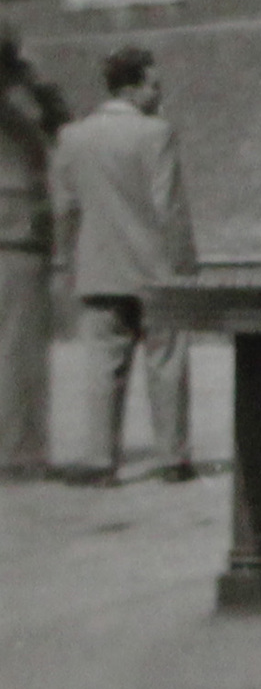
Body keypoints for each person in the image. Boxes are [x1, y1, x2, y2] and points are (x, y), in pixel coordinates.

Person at [49, 44, 198, 486]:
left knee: (102, 366)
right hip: (156, 273)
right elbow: (168, 206)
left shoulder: (73, 137)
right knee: (166, 362)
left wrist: (67, 261)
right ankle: (172, 458)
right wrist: (186, 267)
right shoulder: (156, 133)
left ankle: (100, 461)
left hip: (99, 270)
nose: (159, 94)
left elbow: (65, 207)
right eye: (154, 85)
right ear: (132, 88)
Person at [1, 26, 69, 480]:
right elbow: (63, 123)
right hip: (18, 238)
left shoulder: (19, 123)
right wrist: (34, 78)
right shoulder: (21, 124)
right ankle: (18, 455)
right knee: (19, 354)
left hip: (19, 235)